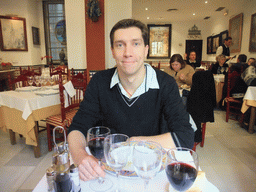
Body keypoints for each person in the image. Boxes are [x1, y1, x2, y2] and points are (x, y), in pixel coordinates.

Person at [67, 19, 194, 181]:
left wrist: (136, 142)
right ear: (112, 51)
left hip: (151, 172)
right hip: (109, 171)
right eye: (120, 45)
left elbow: (185, 137)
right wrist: (80, 157)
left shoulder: (165, 84)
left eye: (135, 44)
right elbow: (77, 128)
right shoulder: (99, 82)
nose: (128, 52)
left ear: (146, 49)